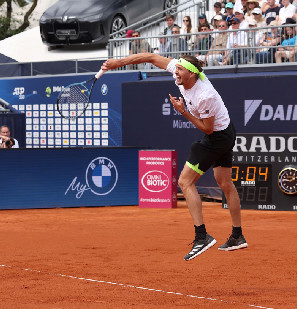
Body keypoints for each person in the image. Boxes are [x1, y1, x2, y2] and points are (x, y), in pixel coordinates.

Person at [102, 53, 245, 260]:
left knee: (185, 182)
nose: (175, 72)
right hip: (226, 131)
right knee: (224, 183)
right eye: (176, 68)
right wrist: (118, 63)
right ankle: (237, 236)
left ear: (191, 74)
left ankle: (202, 236)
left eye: (180, 70)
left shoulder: (205, 95)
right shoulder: (183, 74)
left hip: (218, 137)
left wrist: (183, 112)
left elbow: (207, 129)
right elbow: (150, 57)